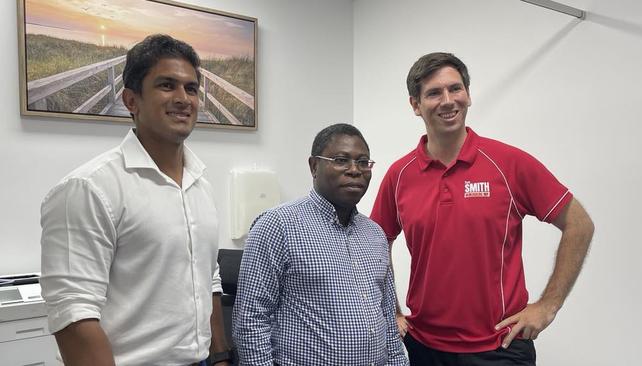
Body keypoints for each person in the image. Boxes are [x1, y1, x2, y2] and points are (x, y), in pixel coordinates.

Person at [370, 52, 594, 365]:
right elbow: (374, 243)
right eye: (434, 93)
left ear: (469, 95)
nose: (448, 101)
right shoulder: (400, 174)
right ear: (415, 105)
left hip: (500, 348)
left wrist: (547, 305)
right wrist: (389, 310)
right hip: (424, 348)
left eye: (455, 89)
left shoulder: (509, 163)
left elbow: (579, 224)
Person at [40, 34, 231, 366]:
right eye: (167, 85)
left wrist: (220, 357)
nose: (183, 98)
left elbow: (208, 277)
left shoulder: (200, 183)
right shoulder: (89, 188)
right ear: (131, 101)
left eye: (191, 88)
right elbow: (73, 315)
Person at [233, 124, 408, 366]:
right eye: (340, 160)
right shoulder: (277, 226)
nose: (355, 170)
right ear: (314, 166)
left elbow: (388, 318)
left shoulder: (375, 234)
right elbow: (250, 321)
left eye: (363, 162)